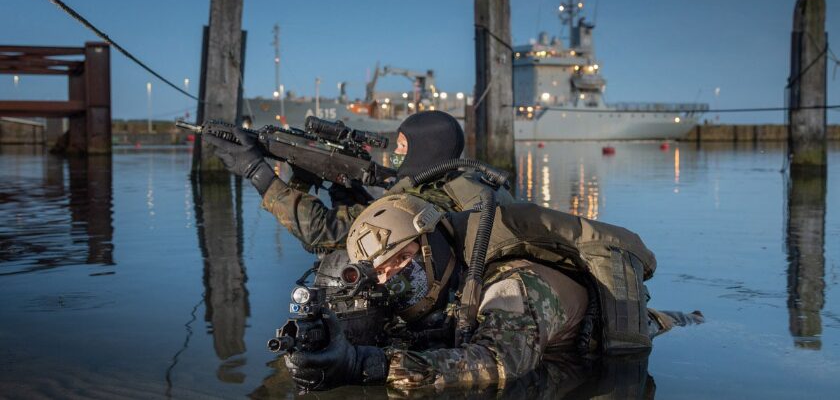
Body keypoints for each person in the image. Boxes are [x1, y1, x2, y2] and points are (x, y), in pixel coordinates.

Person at [283, 194, 703, 390]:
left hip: (653, 334)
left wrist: (367, 366)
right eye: (382, 270)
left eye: (401, 258)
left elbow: (501, 361)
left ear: (432, 244)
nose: (393, 275)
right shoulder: (452, 281)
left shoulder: (514, 284)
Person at [204, 110, 514, 254]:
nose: (396, 153)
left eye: (404, 146)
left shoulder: (428, 200)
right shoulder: (463, 182)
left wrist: (257, 173)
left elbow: (321, 233)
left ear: (427, 149)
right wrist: (346, 190)